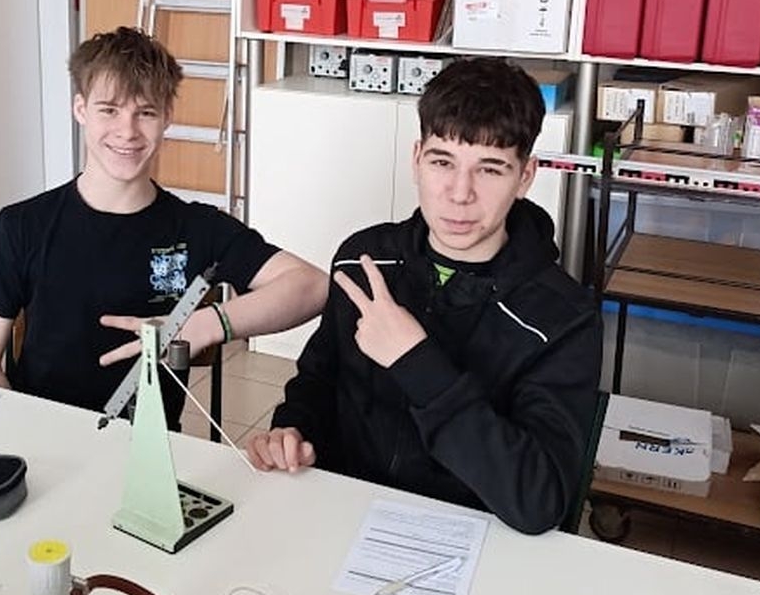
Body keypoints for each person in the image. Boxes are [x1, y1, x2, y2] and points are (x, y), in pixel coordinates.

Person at [246, 56, 602, 535]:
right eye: (442, 162)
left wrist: (417, 362)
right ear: (416, 159)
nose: (460, 193)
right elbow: (318, 379)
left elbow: (540, 501)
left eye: (490, 169)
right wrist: (292, 430)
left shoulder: (563, 318)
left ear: (525, 177)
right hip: (343, 519)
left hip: (472, 540)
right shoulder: (363, 261)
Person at [0, 26, 327, 420]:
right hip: (42, 434)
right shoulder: (19, 226)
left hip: (148, 445)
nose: (127, 132)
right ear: (81, 109)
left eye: (145, 112)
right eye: (109, 110)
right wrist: (39, 434)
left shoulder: (198, 227)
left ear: (167, 117)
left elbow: (312, 286)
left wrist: (209, 324)